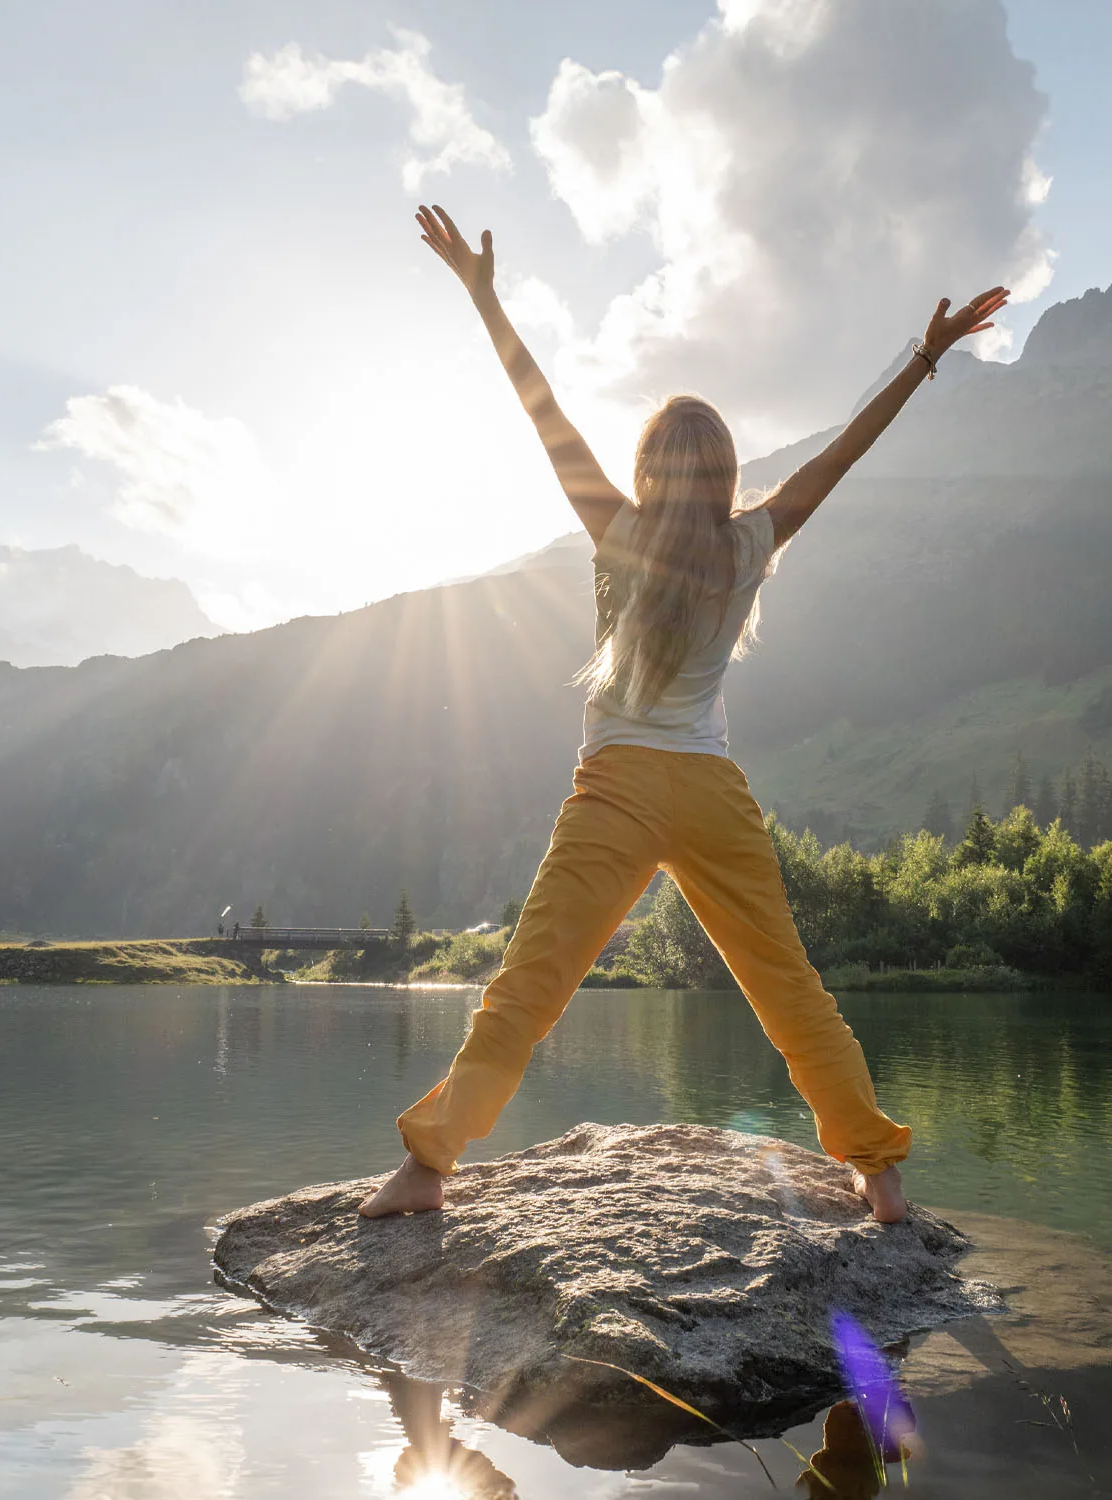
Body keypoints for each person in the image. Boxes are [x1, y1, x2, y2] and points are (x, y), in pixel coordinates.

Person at [361, 203, 1008, 1224]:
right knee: (790, 990)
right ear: (724, 477)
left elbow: (543, 413)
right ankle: (877, 1175)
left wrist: (486, 301)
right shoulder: (751, 544)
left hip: (616, 786)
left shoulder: (614, 529)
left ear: (648, 473)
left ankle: (426, 1170)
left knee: (528, 988)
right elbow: (842, 454)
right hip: (711, 792)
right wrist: (922, 359)